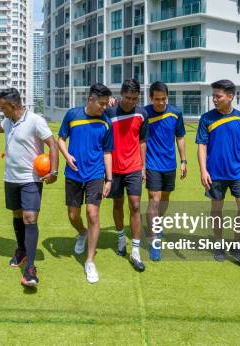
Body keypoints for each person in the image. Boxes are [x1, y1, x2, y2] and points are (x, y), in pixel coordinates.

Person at [0, 88, 59, 287]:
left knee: (30, 218)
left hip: (31, 178)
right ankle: (21, 250)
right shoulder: (8, 121)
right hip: (10, 178)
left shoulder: (35, 120)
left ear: (13, 106)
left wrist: (54, 172)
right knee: (17, 215)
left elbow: (52, 144)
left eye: (3, 107)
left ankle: (30, 269)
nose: (1, 110)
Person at [58, 83, 114, 284]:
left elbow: (107, 152)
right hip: (73, 174)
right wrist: (67, 156)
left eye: (107, 104)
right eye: (102, 103)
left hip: (96, 175)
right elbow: (61, 139)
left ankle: (90, 261)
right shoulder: (72, 115)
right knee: (73, 215)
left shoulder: (106, 122)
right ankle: (82, 233)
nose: (104, 107)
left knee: (92, 213)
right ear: (91, 99)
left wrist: (109, 178)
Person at [195, 79, 240, 270]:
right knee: (216, 210)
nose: (214, 99)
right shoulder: (206, 118)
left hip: (238, 172)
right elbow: (202, 146)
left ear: (231, 96)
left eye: (218, 96)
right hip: (215, 174)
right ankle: (219, 244)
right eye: (213, 96)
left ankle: (236, 246)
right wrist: (203, 170)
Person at [106, 79, 148, 272]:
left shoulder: (142, 113)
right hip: (113, 168)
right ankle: (121, 238)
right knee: (117, 204)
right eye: (127, 97)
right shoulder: (110, 111)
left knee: (136, 205)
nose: (131, 101)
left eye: (134, 98)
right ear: (120, 94)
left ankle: (136, 251)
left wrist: (143, 166)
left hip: (133, 166)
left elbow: (142, 140)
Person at [144, 81, 187, 261]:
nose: (160, 103)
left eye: (163, 99)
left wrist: (183, 160)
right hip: (151, 163)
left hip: (170, 164)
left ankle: (156, 224)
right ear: (150, 98)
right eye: (157, 99)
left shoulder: (176, 113)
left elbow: (180, 137)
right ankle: (155, 241)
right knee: (154, 198)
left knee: (165, 198)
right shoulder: (144, 113)